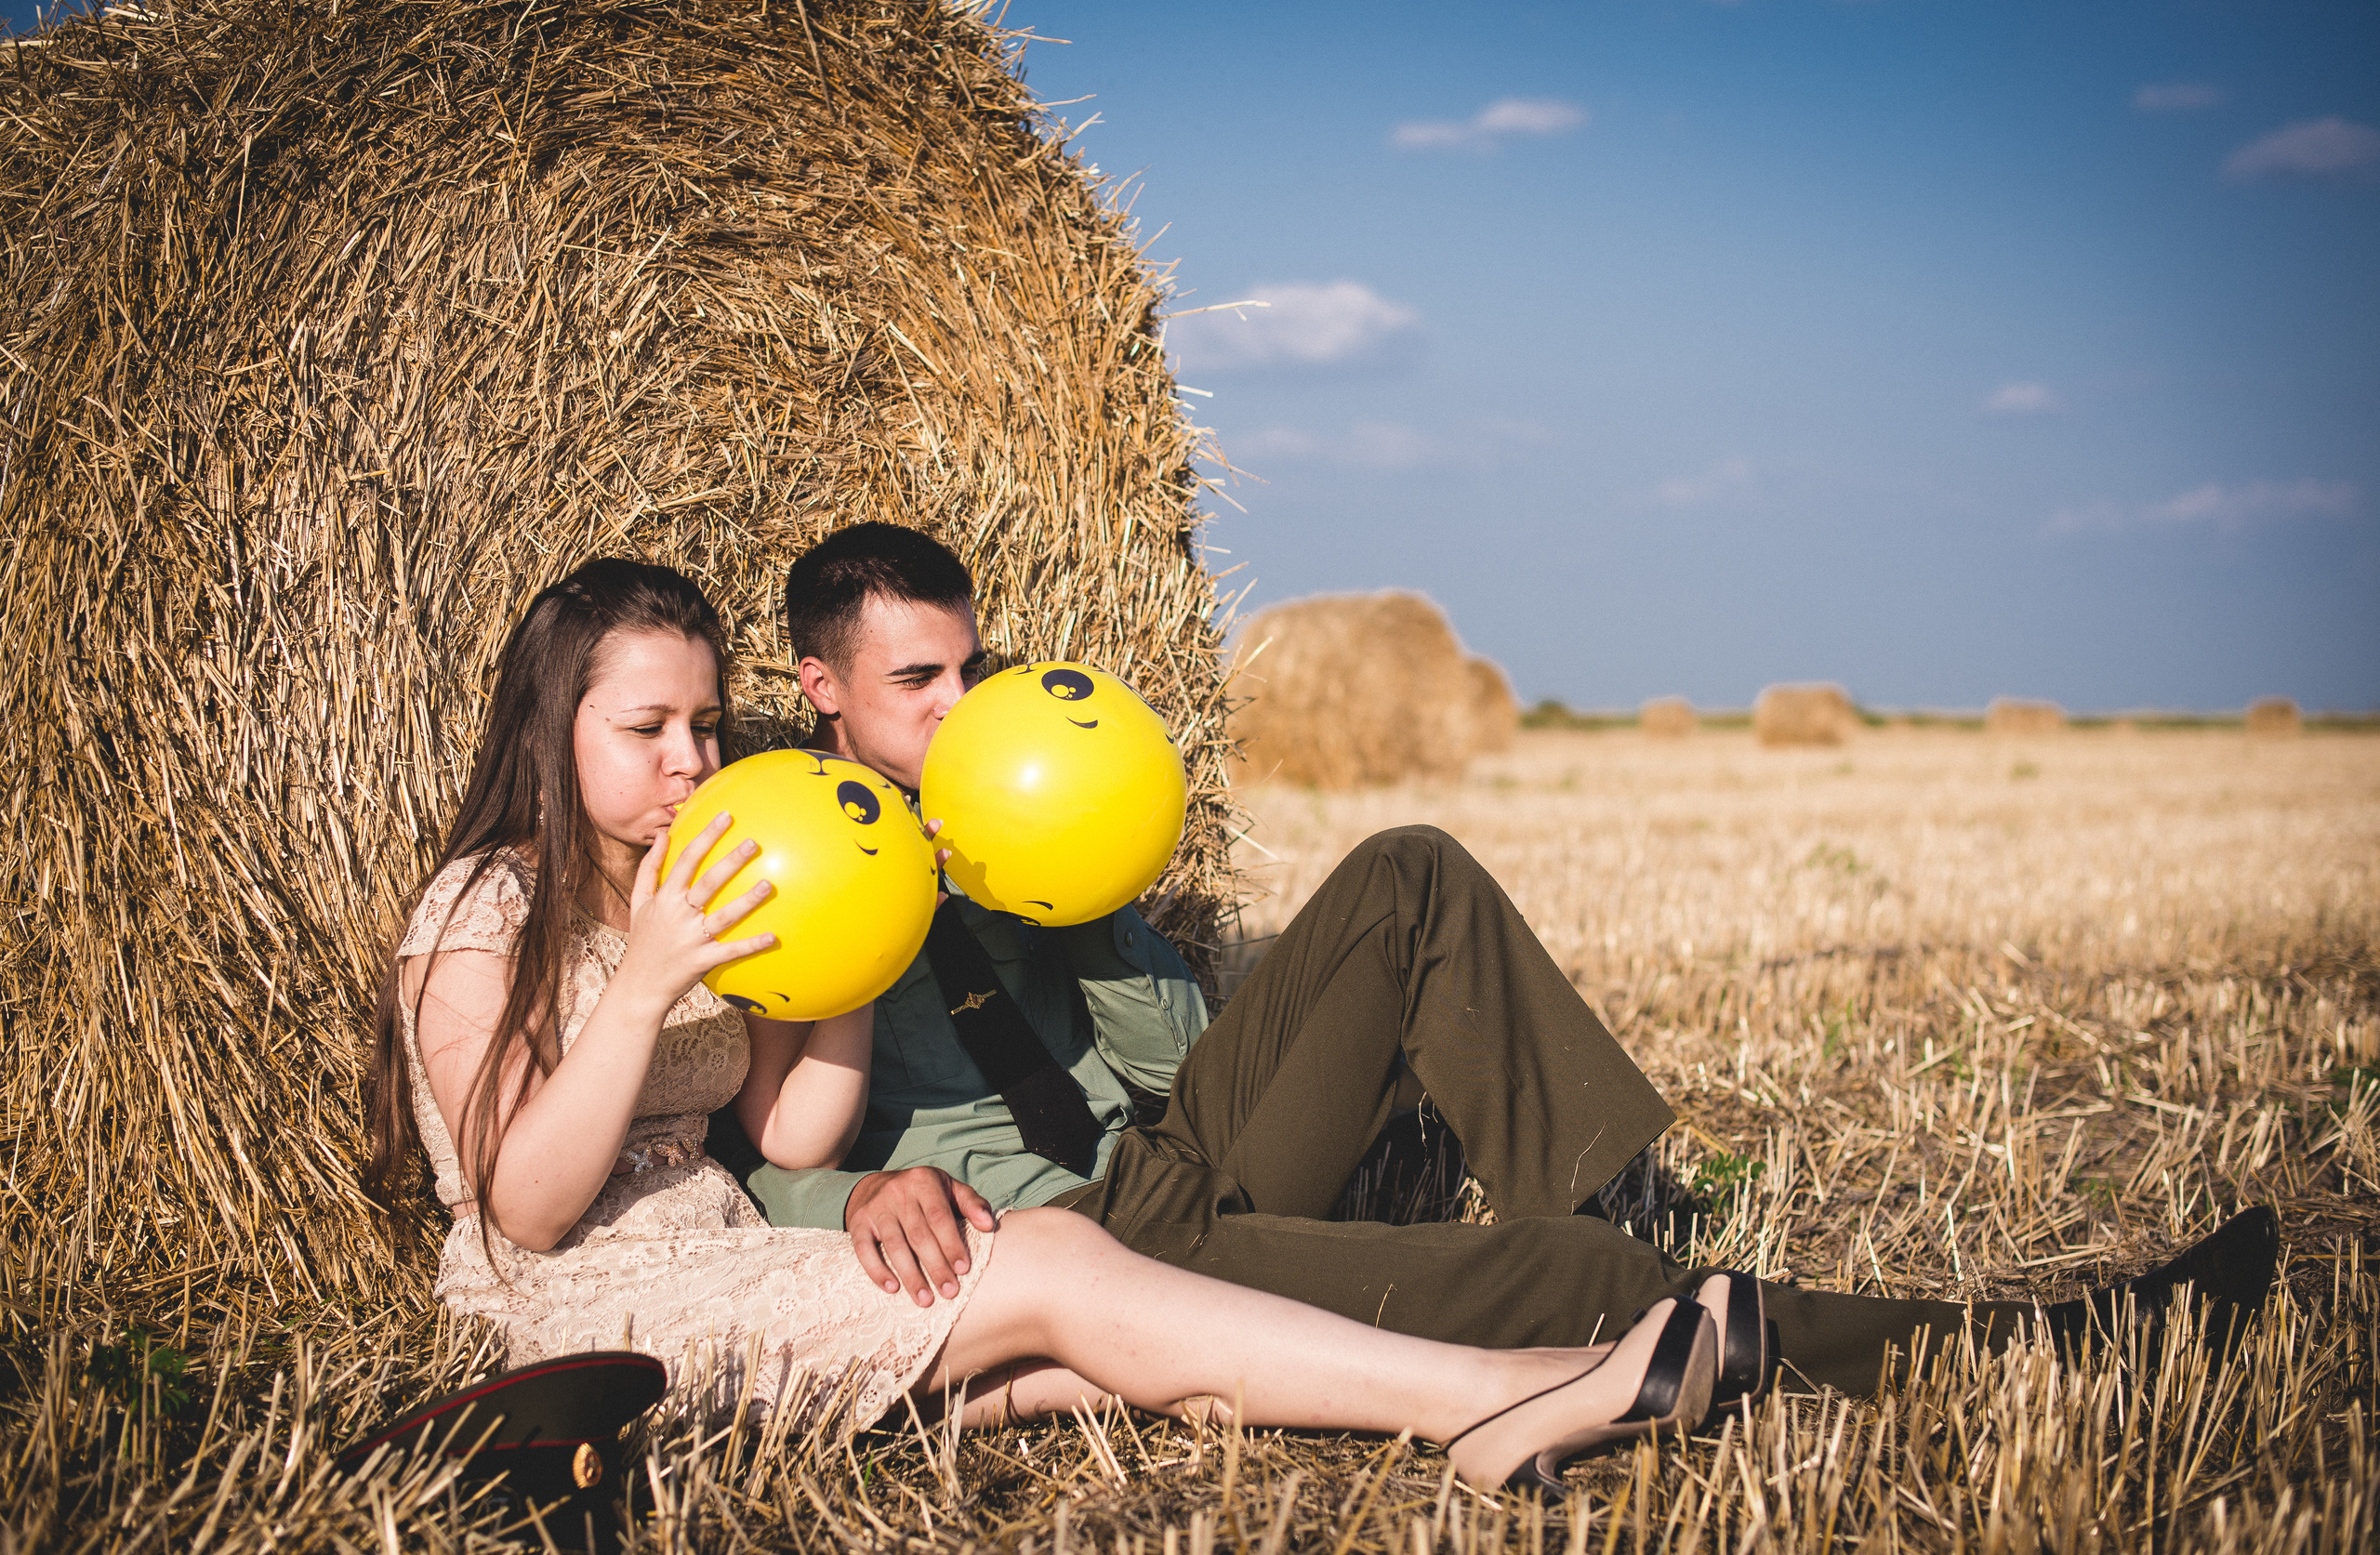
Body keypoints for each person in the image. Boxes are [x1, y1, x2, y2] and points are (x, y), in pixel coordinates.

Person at [722, 522, 2280, 1396]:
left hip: (1170, 1158)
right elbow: (719, 1152)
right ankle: (2016, 1349)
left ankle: (1589, 1221)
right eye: (919, 681)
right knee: (1574, 1288)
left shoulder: (1014, 821)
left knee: (1412, 870)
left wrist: (1074, 898)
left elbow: (1175, 1065)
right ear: (821, 688)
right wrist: (848, 1194)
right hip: (1077, 1246)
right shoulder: (770, 859)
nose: (963, 705)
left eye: (974, 666)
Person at [359, 556, 1764, 1491]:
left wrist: (865, 930)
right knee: (1053, 1266)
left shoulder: (731, 881)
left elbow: (789, 1127)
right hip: (586, 1320)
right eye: (647, 729)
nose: (691, 761)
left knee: (1091, 1360)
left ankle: (1566, 1359)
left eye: (707, 725)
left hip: (739, 1261)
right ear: (553, 729)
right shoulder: (484, 909)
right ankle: (1493, 1395)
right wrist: (649, 981)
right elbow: (523, 1206)